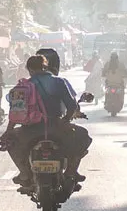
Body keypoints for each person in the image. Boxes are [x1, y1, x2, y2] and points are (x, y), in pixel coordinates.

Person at [34, 47, 92, 181]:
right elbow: (72, 105)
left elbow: (15, 107)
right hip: (57, 126)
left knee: (14, 143)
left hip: (32, 127)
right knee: (83, 137)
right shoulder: (60, 82)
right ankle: (71, 171)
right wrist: (65, 120)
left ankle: (24, 172)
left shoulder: (26, 83)